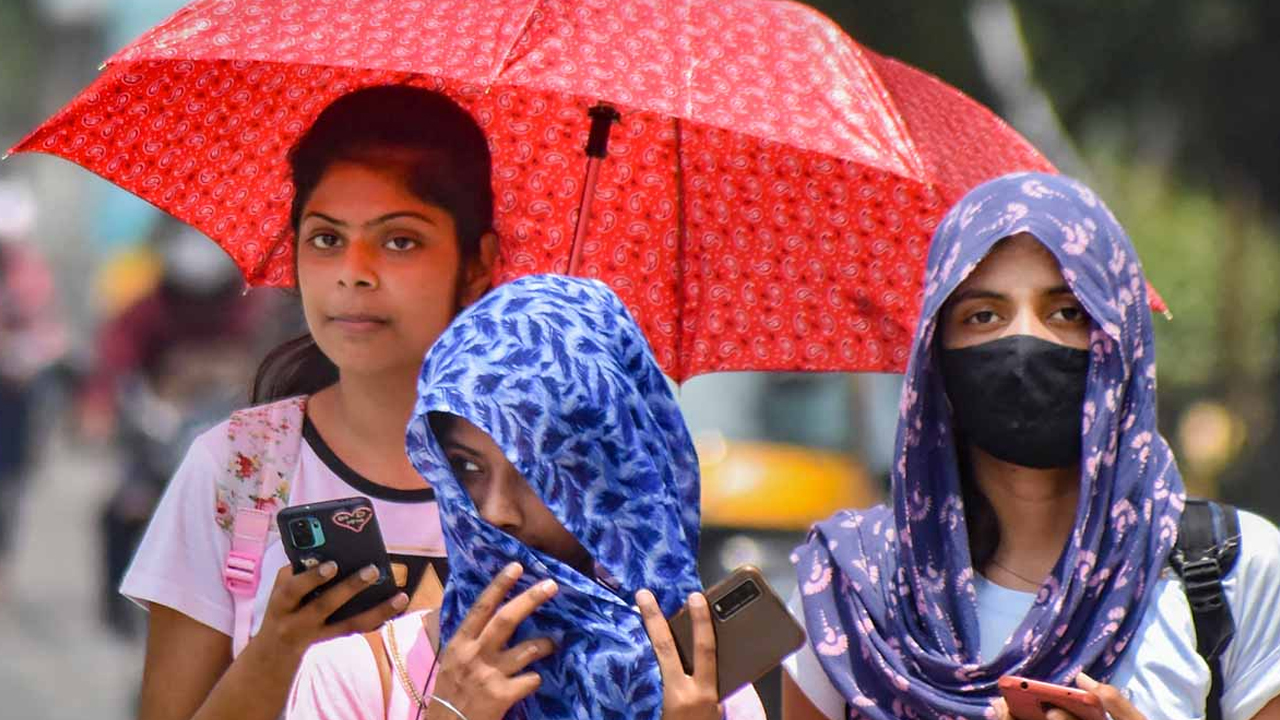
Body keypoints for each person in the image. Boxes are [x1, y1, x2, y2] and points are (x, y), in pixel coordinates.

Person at [782, 172, 1280, 720]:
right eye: (983, 315)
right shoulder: (855, 595)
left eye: (1066, 312)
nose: (1025, 343)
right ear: (934, 354)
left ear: (1123, 339)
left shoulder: (1232, 572)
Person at [121, 85, 499, 720]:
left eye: (399, 241)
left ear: (476, 263)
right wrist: (282, 647)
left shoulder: (543, 485)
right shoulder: (238, 469)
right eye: (326, 239)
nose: (354, 272)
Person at [287, 275, 765, 720]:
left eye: (541, 473)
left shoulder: (701, 686)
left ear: (614, 482)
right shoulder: (356, 678)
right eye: (469, 468)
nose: (495, 511)